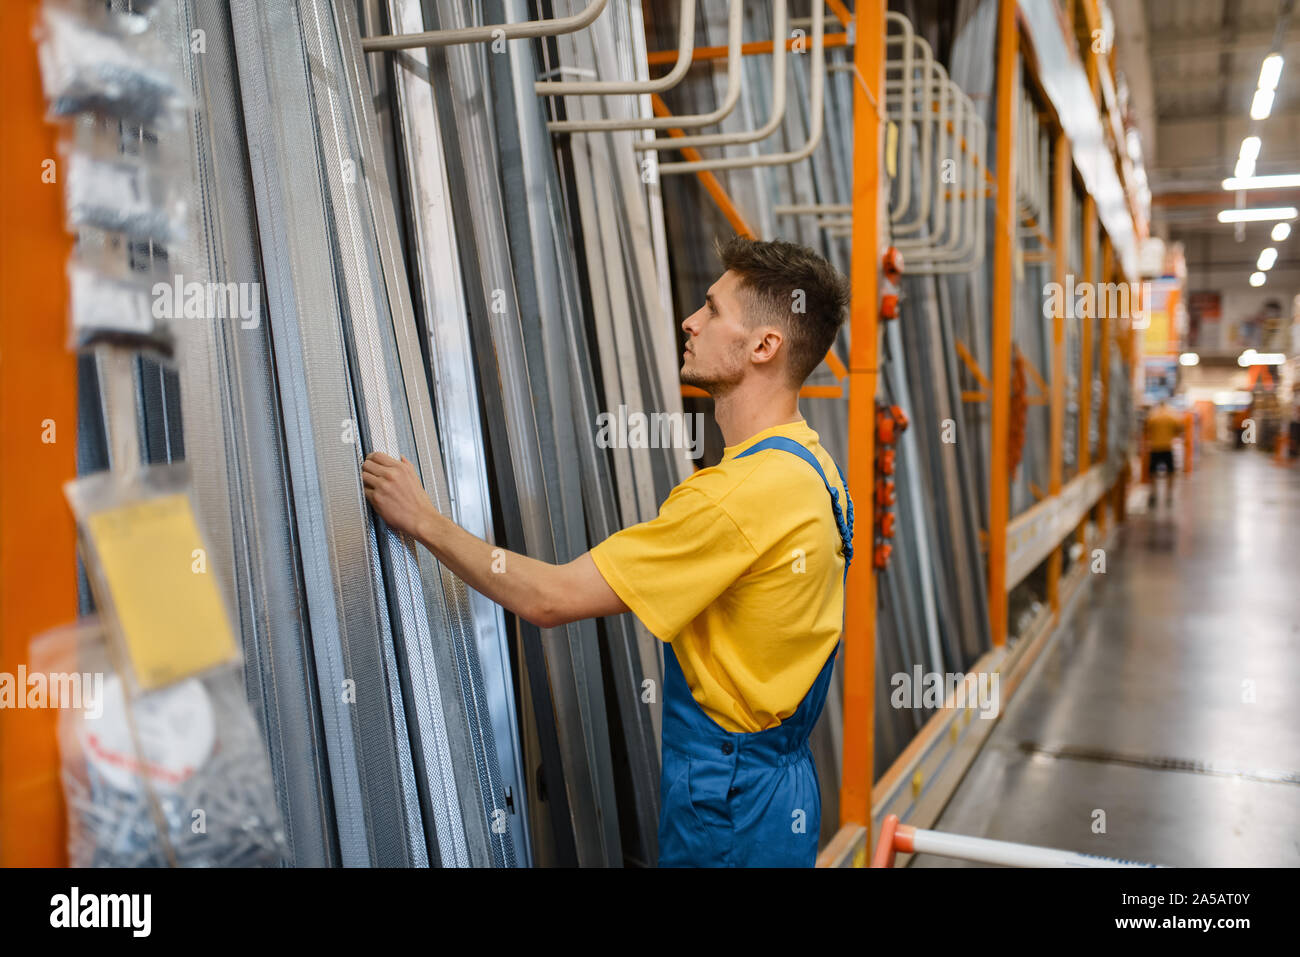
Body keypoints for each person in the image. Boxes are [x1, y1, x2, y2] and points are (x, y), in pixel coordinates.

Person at [362, 236, 853, 868]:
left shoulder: (736, 498)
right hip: (781, 785)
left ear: (763, 346)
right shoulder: (814, 465)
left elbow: (550, 598)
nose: (690, 321)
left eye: (712, 309)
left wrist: (425, 522)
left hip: (729, 798)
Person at [1145, 399, 1184, 508]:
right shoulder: (1172, 416)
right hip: (1167, 447)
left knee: (1152, 472)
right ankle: (1169, 495)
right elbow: (1178, 429)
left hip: (1155, 447)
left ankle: (1153, 493)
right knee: (1170, 472)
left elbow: (1147, 429)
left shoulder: (1153, 416)